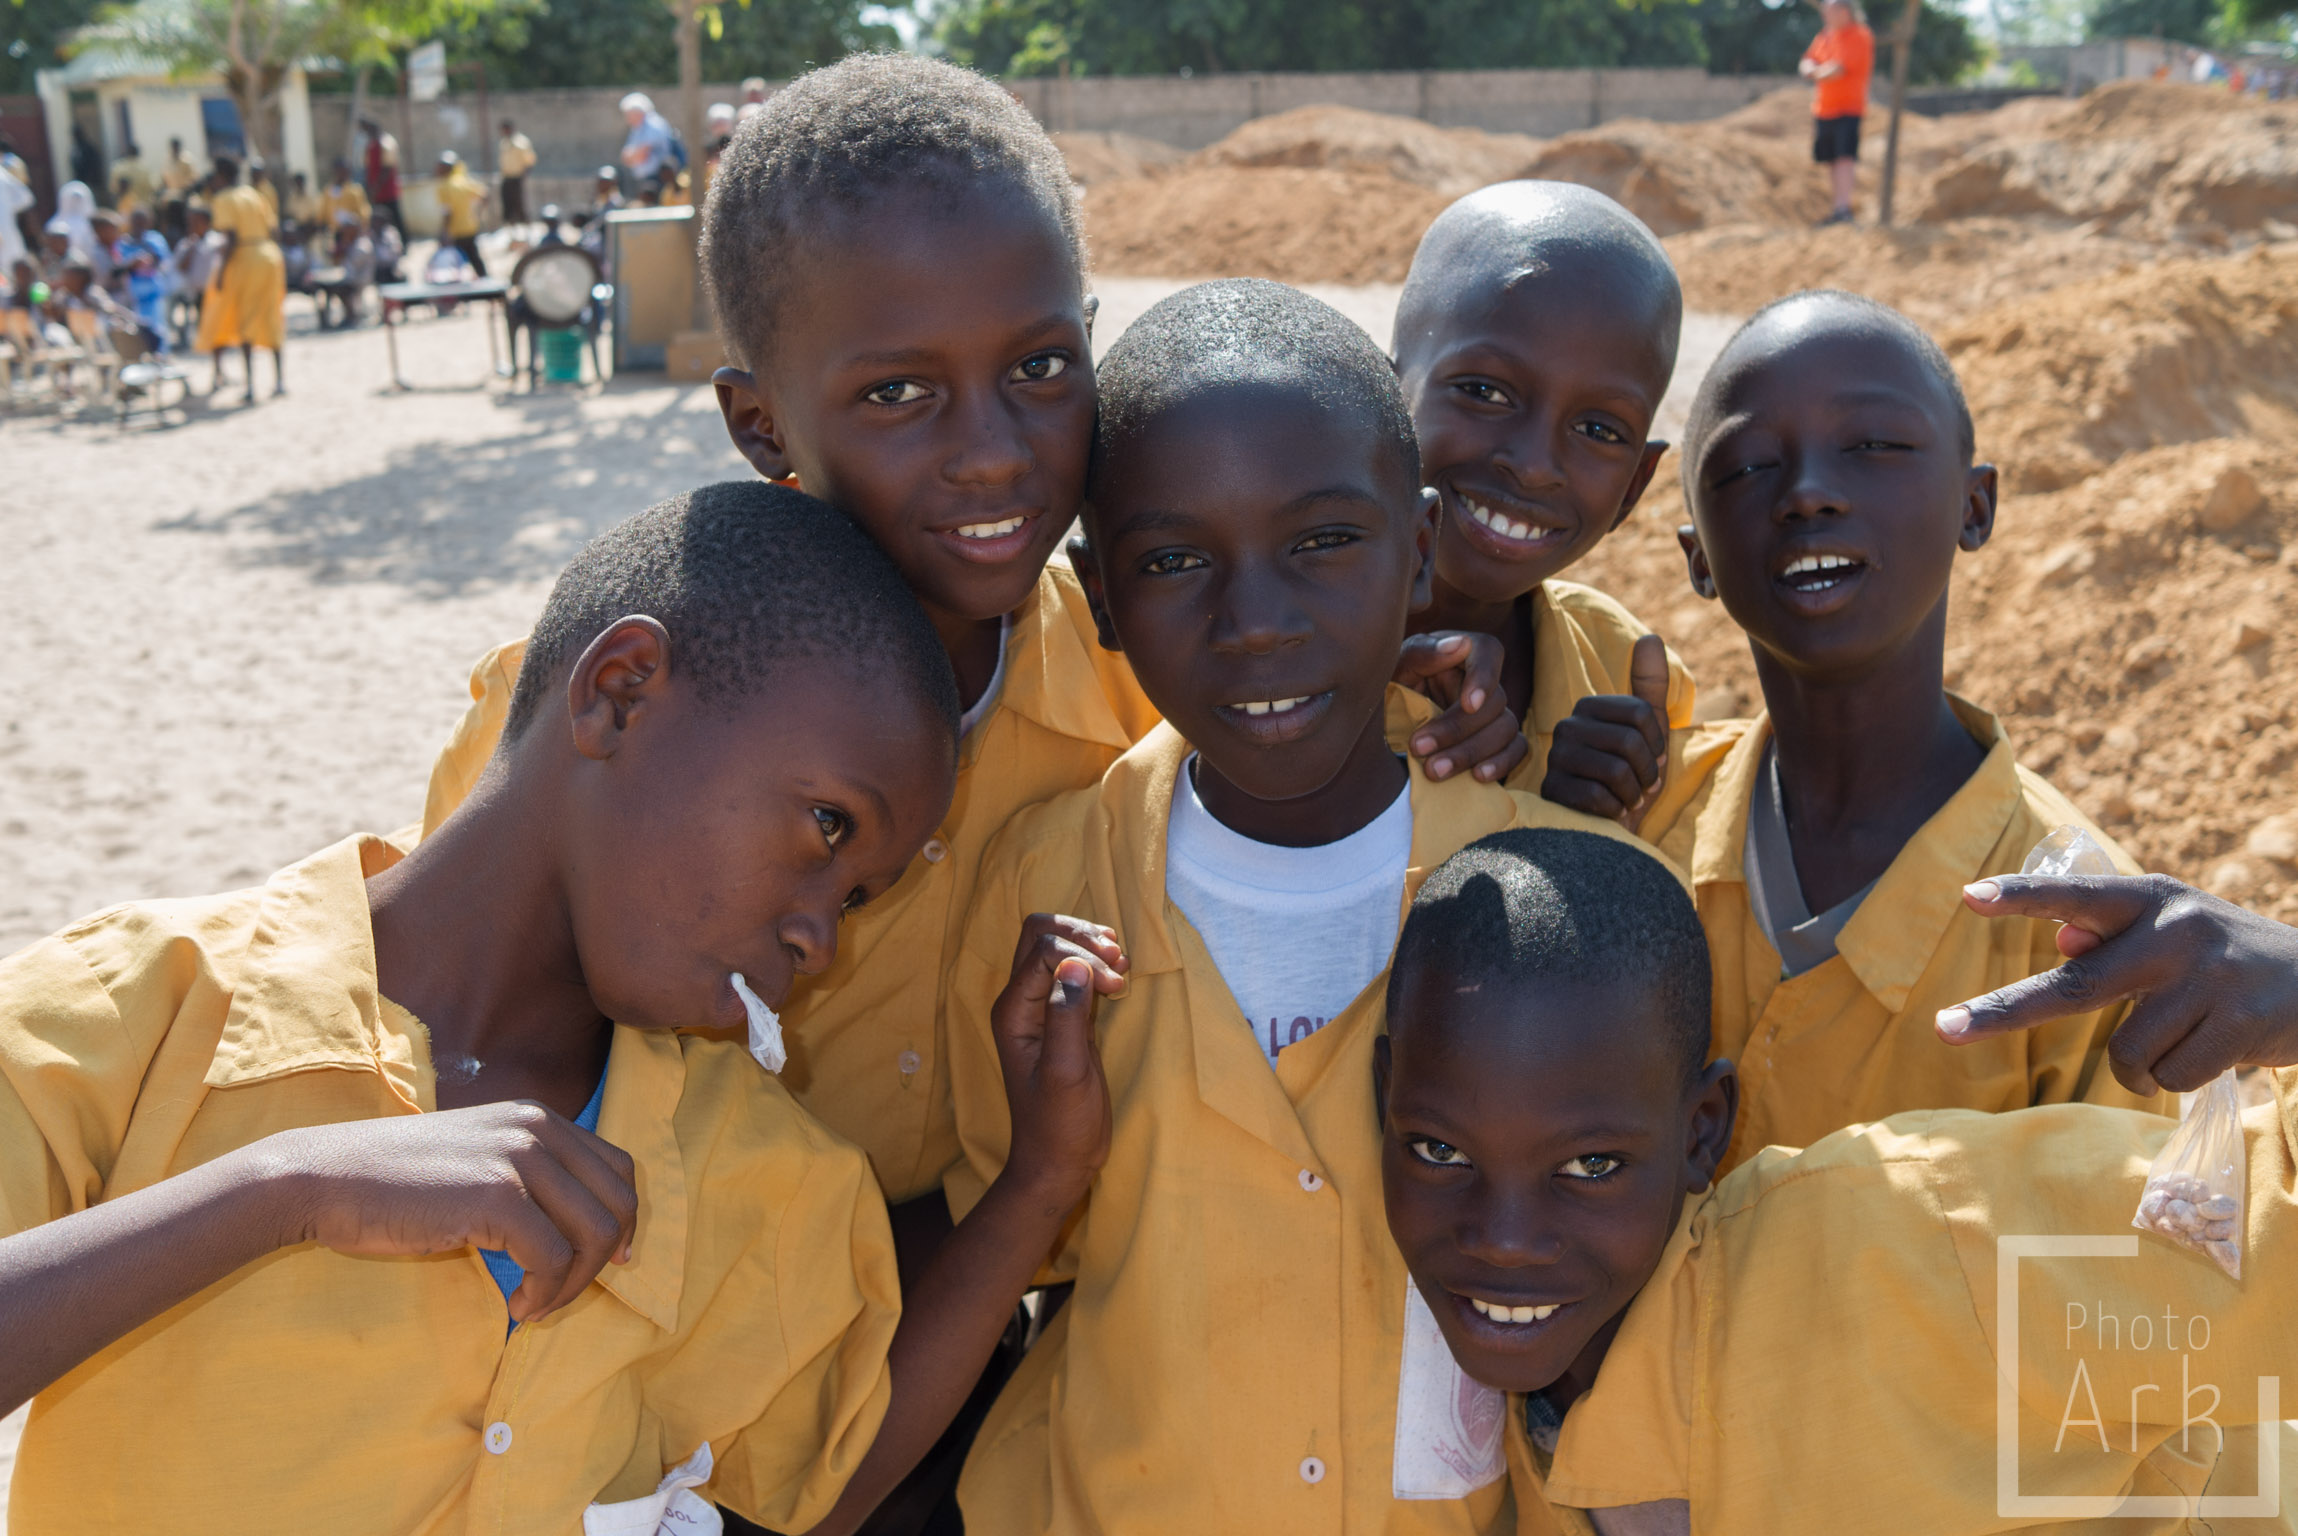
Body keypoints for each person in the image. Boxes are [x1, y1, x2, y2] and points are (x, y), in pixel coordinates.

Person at [0, 483, 1126, 1536]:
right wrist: (285, 1190)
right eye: (828, 828)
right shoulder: (141, 1007)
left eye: (859, 896)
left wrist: (1038, 1187)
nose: (818, 938)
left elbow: (829, 1471)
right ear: (619, 689)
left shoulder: (752, 1163)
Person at [941, 278, 1649, 1536]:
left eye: (1322, 541)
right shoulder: (1043, 890)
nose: (1256, 624)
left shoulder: (1561, 892)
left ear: (1421, 548)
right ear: (1099, 595)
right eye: (1173, 562)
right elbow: (1024, 1236)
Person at [1378, 828, 2298, 1532]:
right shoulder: (1518, 1414)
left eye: (1589, 1167)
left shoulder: (1920, 1248)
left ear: (1704, 1132)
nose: (1502, 1235)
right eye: (1441, 1154)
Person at [1544, 290, 2162, 1172]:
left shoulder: (2077, 927)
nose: (1810, 494)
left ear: (1974, 507)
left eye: (1874, 447)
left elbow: (2103, 1279)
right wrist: (1552, 846)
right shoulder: (1636, 818)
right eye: (1750, 465)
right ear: (1698, 559)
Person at [1396, 180, 1698, 802]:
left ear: (1635, 487)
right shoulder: (1247, 631)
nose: (1534, 466)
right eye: (1484, 392)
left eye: (1597, 429)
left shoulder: (1631, 687)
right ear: (1382, 394)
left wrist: (1585, 845)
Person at [195, 152, 287, 403]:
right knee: (271, 314)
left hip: (245, 258)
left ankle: (250, 386)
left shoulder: (224, 198)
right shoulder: (255, 194)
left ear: (221, 175)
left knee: (246, 318)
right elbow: (274, 229)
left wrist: (222, 273)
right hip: (269, 255)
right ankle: (279, 381)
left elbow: (231, 237)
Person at [1800, 0, 1874, 225]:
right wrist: (1813, 69)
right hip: (1824, 109)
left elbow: (1838, 69)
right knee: (1832, 160)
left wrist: (1814, 72)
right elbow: (1807, 61)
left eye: (1829, 12)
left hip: (1848, 108)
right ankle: (1838, 208)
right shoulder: (1825, 35)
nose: (1825, 16)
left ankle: (1844, 209)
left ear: (1844, 12)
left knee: (1844, 158)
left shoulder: (1858, 35)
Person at [169, 202, 219, 346]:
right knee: (188, 315)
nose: (192, 225)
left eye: (196, 222)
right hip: (191, 290)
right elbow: (181, 267)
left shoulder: (217, 241)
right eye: (190, 222)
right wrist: (191, 249)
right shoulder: (186, 244)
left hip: (212, 290)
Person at [434, 149, 488, 277]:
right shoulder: (463, 181)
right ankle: (486, 282)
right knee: (474, 258)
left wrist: (444, 232)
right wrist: (479, 214)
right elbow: (485, 194)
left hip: (456, 231)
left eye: (440, 167)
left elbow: (447, 212)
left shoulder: (444, 186)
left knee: (454, 263)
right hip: (470, 227)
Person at [617, 92, 681, 190]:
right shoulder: (637, 129)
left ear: (637, 113)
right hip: (645, 179)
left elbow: (642, 155)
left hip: (658, 178)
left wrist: (633, 155)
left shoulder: (654, 125)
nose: (627, 118)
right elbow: (625, 157)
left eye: (628, 114)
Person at [359, 116, 403, 235]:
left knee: (394, 216)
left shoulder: (386, 142)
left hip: (386, 188)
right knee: (378, 217)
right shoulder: (371, 144)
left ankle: (403, 242)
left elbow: (387, 168)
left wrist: (376, 187)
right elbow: (368, 167)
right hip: (376, 189)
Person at [497, 118, 537, 233]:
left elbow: (529, 160)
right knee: (507, 203)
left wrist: (524, 177)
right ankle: (510, 228)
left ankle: (526, 228)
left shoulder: (521, 142)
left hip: (517, 177)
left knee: (519, 203)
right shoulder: (504, 142)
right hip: (506, 176)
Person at [320, 157, 371, 230]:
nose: (342, 173)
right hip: (333, 232)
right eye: (339, 170)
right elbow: (322, 213)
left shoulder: (356, 189)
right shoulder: (328, 190)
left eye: (344, 170)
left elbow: (364, 211)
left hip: (351, 232)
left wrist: (357, 220)